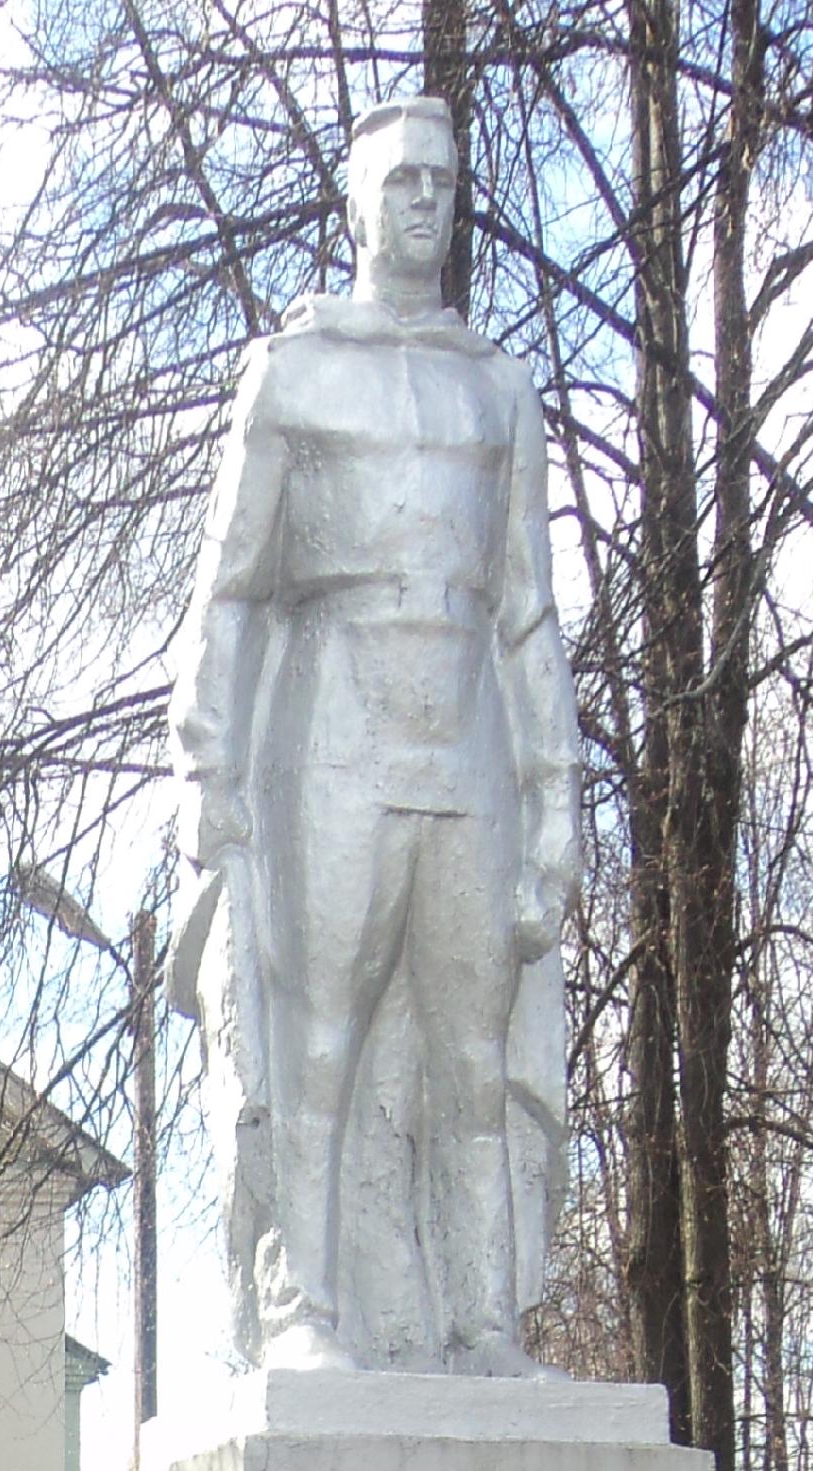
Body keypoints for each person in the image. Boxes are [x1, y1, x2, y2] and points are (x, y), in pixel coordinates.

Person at [169, 95, 581, 1374]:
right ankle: (308, 1307)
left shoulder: (495, 389)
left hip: (462, 740)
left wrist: (556, 798)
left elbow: (526, 613)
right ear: (355, 201)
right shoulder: (293, 374)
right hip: (330, 728)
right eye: (399, 181)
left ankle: (481, 1317)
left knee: (470, 1048)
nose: (420, 204)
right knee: (318, 1032)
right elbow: (229, 590)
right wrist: (205, 766)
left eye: (441, 186)